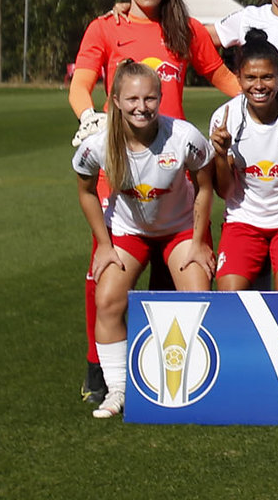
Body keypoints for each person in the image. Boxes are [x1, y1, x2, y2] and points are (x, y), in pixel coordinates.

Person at [69, 0, 237, 404]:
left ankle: (167, 373)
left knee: (173, 274)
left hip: (173, 167)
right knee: (103, 271)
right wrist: (89, 117)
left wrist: (257, 107)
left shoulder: (184, 29)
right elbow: (82, 82)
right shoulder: (107, 27)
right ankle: (98, 369)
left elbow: (220, 73)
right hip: (122, 169)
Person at [72, 61, 215, 418]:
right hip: (128, 231)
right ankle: (118, 389)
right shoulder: (97, 145)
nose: (142, 106)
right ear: (115, 101)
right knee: (107, 300)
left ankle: (195, 384)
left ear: (161, 98)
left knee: (198, 299)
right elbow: (87, 192)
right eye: (132, 98)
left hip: (179, 229)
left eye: (150, 98)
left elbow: (205, 185)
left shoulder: (184, 137)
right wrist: (104, 244)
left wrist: (198, 241)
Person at [207, 30, 278, 292]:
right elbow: (225, 192)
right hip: (243, 220)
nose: (259, 86)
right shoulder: (225, 117)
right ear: (238, 78)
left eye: (267, 77)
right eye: (250, 78)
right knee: (230, 298)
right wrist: (221, 156)